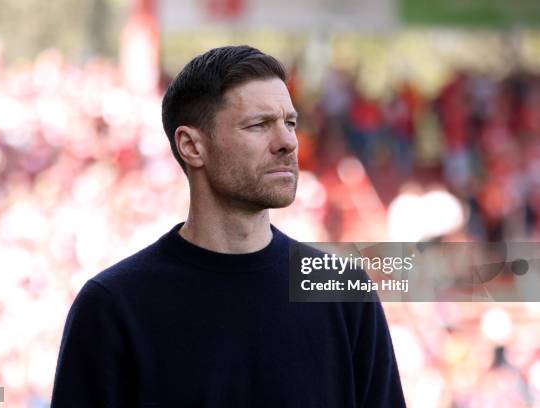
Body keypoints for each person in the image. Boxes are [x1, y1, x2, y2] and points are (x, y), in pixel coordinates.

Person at [51, 45, 406, 407]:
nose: (287, 142)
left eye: (290, 122)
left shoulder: (342, 291)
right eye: (259, 125)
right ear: (191, 146)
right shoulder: (113, 306)